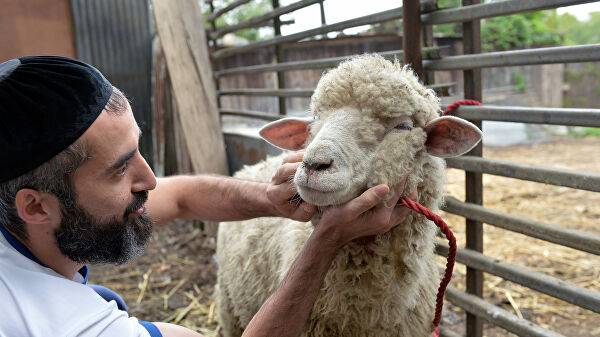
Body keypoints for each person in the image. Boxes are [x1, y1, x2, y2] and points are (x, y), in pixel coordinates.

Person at [0, 56, 413, 337]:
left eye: (138, 150)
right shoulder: (61, 325)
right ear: (35, 206)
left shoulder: (22, 217)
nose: (151, 179)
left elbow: (180, 196)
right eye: (119, 169)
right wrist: (326, 241)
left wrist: (269, 200)